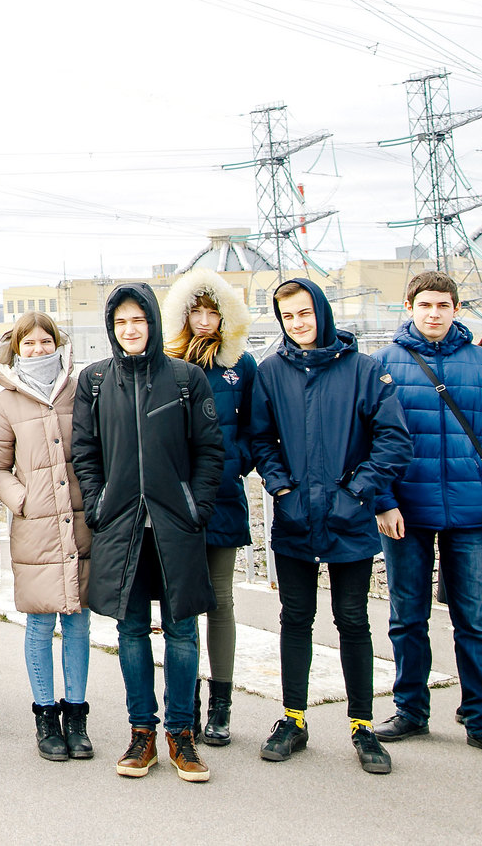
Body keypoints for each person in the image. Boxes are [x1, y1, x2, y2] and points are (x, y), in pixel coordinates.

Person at [249, 279, 412, 775]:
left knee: (352, 620)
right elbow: (259, 437)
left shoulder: (364, 370)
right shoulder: (271, 372)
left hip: (349, 519)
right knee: (295, 618)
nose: (298, 323)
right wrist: (281, 488)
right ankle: (293, 719)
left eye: (305, 313)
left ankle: (362, 726)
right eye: (288, 317)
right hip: (296, 517)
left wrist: (356, 491)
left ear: (321, 311)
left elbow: (393, 440)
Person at [373, 272, 482, 764]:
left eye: (444, 305)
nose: (435, 313)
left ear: (457, 309)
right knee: (407, 617)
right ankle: (410, 709)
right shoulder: (383, 363)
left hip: (472, 510)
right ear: (409, 306)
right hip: (407, 510)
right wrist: (382, 500)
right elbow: (371, 437)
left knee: (476, 620)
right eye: (425, 304)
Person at [71, 284, 222, 783]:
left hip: (174, 526)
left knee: (181, 630)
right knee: (130, 630)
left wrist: (195, 506)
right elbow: (85, 453)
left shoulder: (185, 378)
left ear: (154, 324)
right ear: (111, 330)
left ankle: (182, 734)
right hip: (120, 525)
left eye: (139, 320)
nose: (130, 330)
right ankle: (142, 733)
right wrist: (97, 504)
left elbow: (209, 450)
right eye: (121, 323)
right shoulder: (95, 381)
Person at [0, 310, 94, 762]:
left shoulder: (81, 390)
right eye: (27, 344)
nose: (37, 350)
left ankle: (77, 718)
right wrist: (22, 500)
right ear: (16, 349)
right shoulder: (5, 402)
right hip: (36, 528)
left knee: (78, 620)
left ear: (57, 343)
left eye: (44, 342)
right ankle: (46, 717)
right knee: (39, 621)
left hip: (81, 522)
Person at [162, 269, 257, 747]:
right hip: (175, 501)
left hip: (222, 495)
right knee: (183, 606)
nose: (203, 320)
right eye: (194, 311)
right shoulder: (165, 364)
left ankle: (221, 705)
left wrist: (235, 463)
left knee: (220, 599)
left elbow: (256, 429)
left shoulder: (242, 365)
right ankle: (188, 701)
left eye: (211, 312)